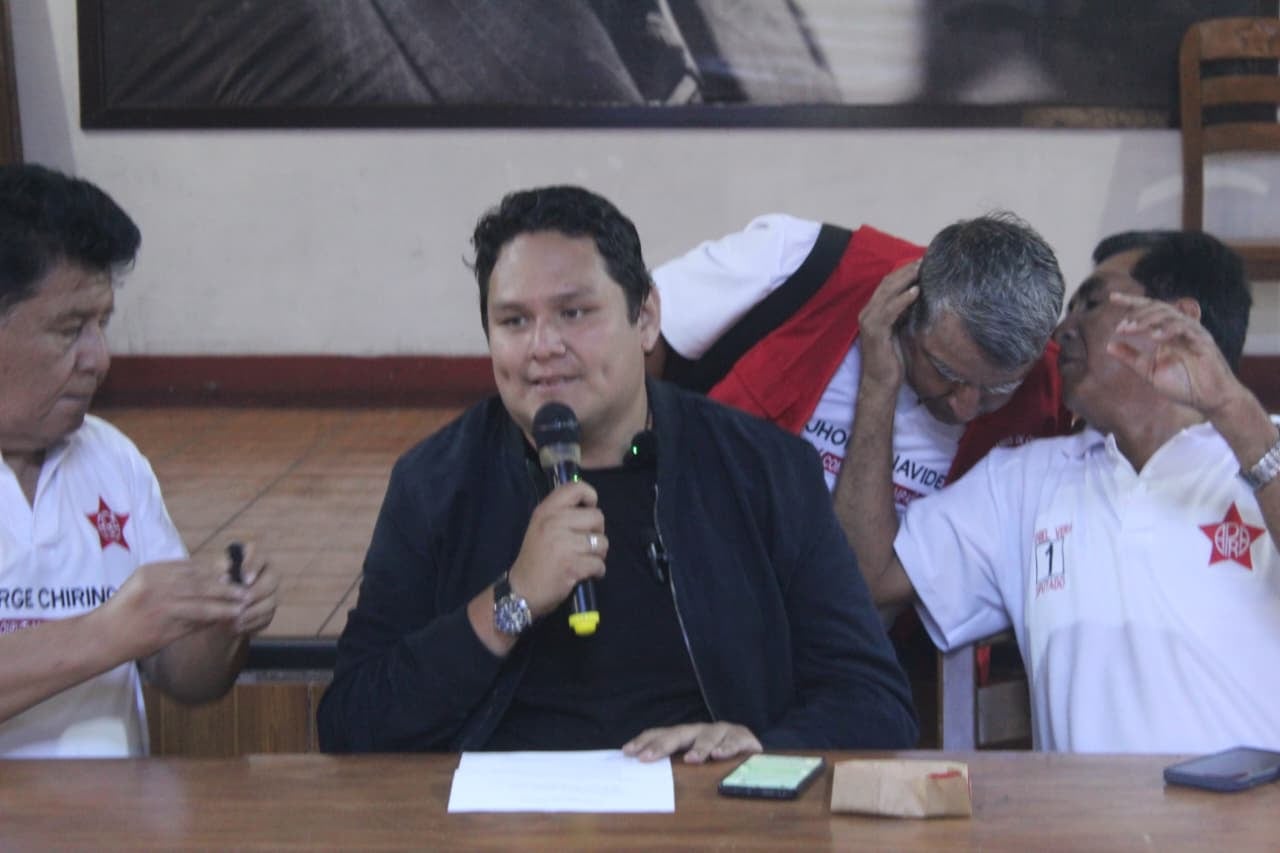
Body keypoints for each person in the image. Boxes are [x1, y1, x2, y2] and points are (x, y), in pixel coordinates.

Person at [317, 185, 917, 759]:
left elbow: (875, 703)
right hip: (500, 825)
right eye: (514, 322)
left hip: (708, 813)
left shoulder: (764, 469)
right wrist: (513, 601)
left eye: (575, 312)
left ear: (647, 317)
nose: (543, 346)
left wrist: (759, 749)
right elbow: (352, 724)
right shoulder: (436, 483)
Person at [864, 230, 1280, 753]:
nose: (1062, 329)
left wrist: (1234, 411)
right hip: (1081, 829)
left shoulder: (1262, 447)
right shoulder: (1022, 483)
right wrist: (878, 384)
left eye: (1092, 302)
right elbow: (869, 577)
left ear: (1176, 324)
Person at [0, 163, 279, 757]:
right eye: (70, 329)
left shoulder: (110, 457)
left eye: (102, 325)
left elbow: (186, 679)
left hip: (113, 830)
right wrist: (108, 631)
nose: (99, 358)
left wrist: (225, 620)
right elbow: (123, 631)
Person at [650, 212, 1071, 577]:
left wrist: (878, 390)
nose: (964, 406)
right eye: (945, 372)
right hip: (695, 562)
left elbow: (858, 583)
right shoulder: (800, 261)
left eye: (997, 389)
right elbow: (635, 339)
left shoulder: (1051, 391)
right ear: (909, 308)